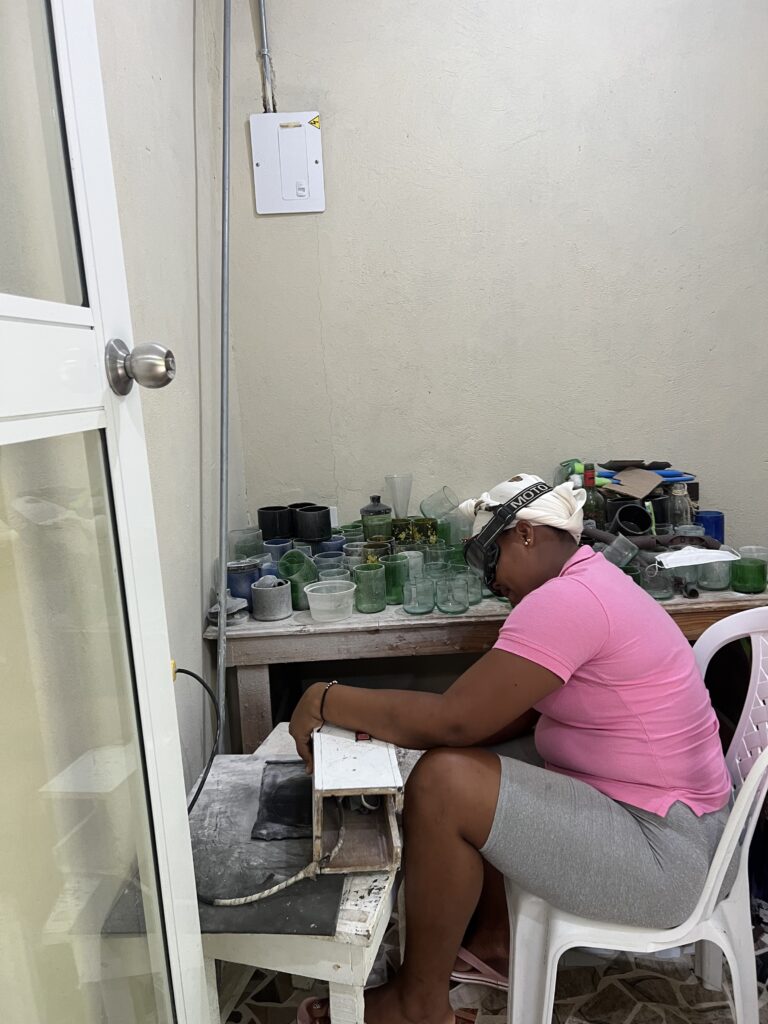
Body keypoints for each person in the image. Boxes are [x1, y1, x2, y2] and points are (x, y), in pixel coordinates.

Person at [291, 474, 732, 1024]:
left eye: (488, 558)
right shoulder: (593, 580)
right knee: (488, 764)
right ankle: (495, 940)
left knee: (447, 785)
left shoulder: (570, 601)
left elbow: (455, 722)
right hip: (681, 825)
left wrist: (324, 698)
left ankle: (417, 1005)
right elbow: (494, 717)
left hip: (669, 858)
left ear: (524, 534)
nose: (489, 581)